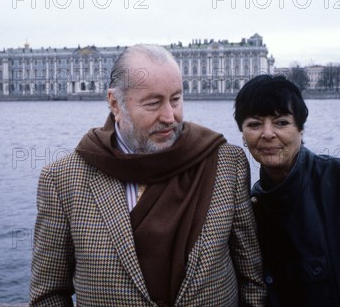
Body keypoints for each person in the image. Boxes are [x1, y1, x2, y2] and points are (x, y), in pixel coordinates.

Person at [30, 44, 265, 306]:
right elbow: (48, 294)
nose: (169, 116)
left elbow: (251, 277)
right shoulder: (62, 179)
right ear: (114, 103)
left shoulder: (225, 162)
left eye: (175, 99)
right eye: (153, 103)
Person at [234, 74, 340, 307]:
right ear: (244, 136)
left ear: (301, 130)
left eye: (281, 122)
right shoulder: (251, 213)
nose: (267, 133)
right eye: (255, 124)